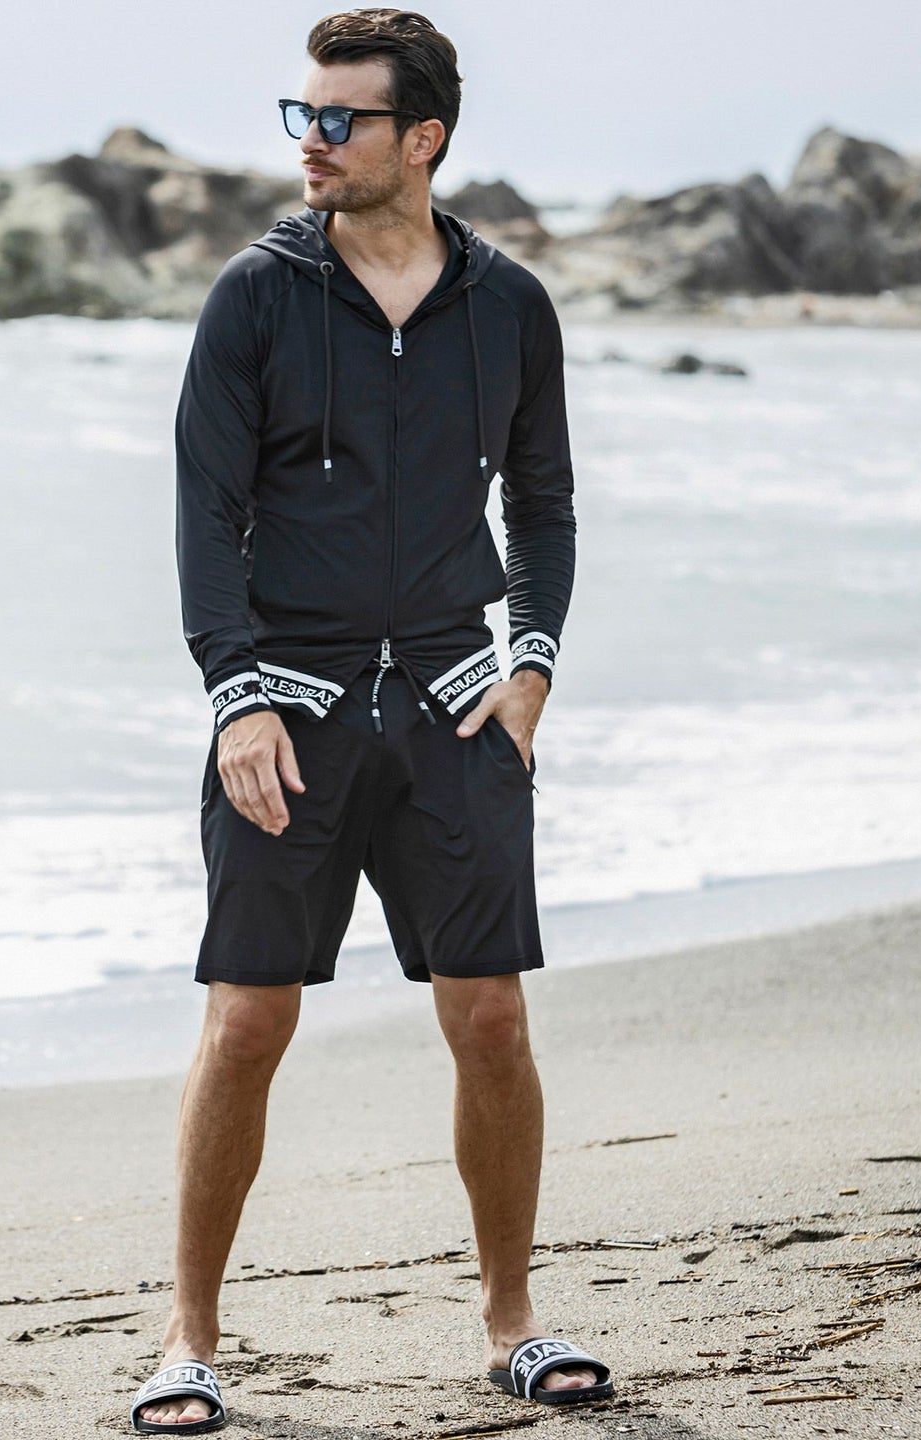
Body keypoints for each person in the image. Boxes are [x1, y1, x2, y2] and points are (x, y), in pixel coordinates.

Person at [130, 8, 614, 1432]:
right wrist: (235, 699)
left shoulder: (510, 305)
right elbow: (204, 514)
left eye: (341, 120)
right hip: (291, 709)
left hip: (456, 712)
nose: (312, 142)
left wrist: (531, 670)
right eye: (303, 115)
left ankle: (513, 1322)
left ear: (424, 140)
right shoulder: (255, 296)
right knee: (246, 1026)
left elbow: (545, 502)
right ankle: (189, 1338)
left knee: (493, 1021)